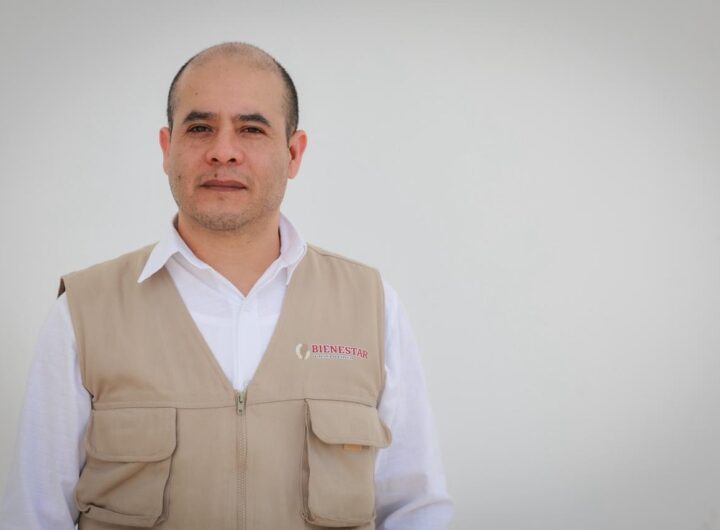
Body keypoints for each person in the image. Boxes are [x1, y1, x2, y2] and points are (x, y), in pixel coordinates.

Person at [0, 42, 453, 529]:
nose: (223, 151)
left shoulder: (371, 307)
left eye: (251, 129)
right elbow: (34, 514)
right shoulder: (83, 314)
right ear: (166, 148)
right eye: (199, 128)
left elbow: (415, 508)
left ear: (293, 152)